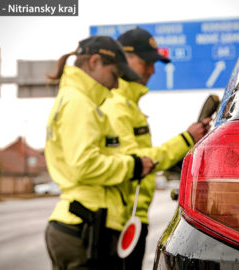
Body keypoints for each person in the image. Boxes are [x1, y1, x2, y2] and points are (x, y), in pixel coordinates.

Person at [101, 28, 212, 269]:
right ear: (124, 59)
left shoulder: (128, 105)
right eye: (147, 62)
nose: (152, 70)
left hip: (131, 218)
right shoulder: (116, 107)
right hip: (120, 221)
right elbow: (138, 161)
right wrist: (186, 138)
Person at [44, 35, 155, 270]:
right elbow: (84, 165)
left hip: (81, 225)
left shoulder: (77, 101)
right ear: (94, 62)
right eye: (114, 75)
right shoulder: (79, 104)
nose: (116, 85)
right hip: (83, 228)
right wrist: (133, 166)